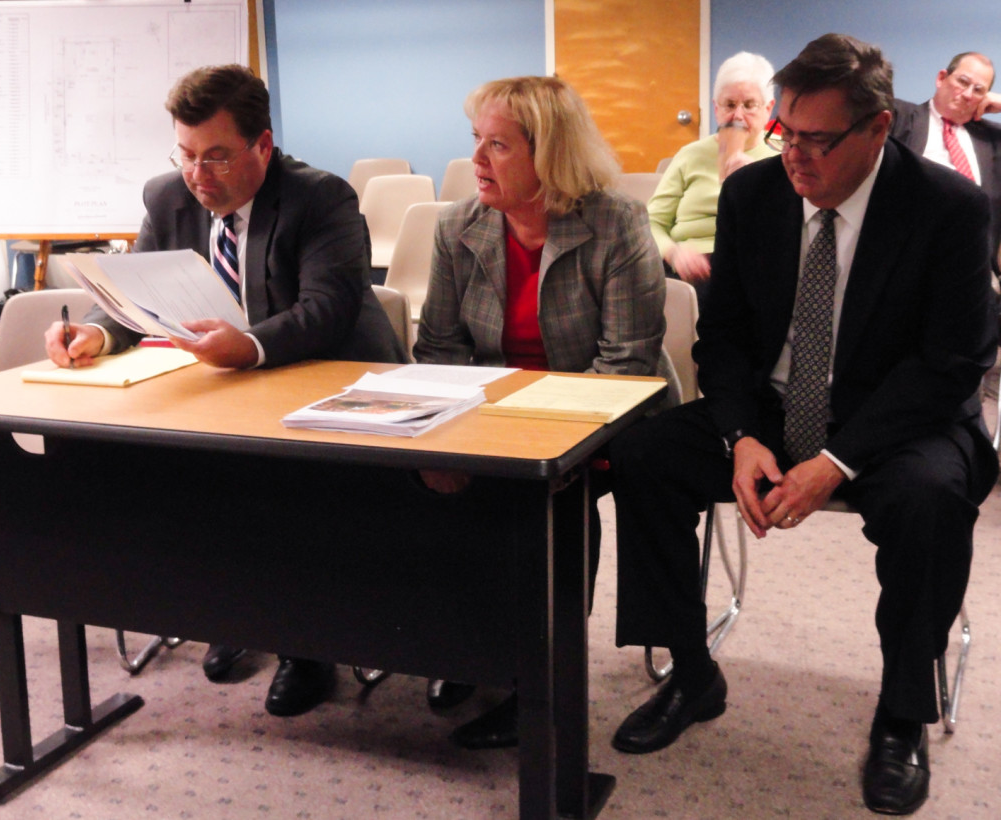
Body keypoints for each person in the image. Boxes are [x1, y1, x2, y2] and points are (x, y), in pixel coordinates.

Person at [608, 34, 998, 816]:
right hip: (776, 409)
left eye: (819, 139)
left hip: (897, 421)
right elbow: (723, 339)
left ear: (880, 129)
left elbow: (951, 363)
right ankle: (692, 671)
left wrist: (840, 461)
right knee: (643, 454)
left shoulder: (949, 208)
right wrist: (743, 436)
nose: (796, 156)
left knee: (929, 502)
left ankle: (901, 714)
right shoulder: (755, 195)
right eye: (787, 132)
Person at [45, 64, 407, 718]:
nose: (197, 176)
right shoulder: (167, 197)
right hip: (225, 386)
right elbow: (140, 297)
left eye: (216, 157)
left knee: (283, 487)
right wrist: (100, 336)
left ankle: (307, 647)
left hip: (328, 381)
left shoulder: (319, 198)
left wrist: (251, 345)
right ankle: (234, 614)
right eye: (186, 155)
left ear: (263, 146)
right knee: (176, 475)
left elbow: (327, 309)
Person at [412, 75, 679, 749]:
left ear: (550, 156)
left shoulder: (615, 223)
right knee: (424, 485)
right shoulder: (459, 227)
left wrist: (532, 444)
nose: (476, 160)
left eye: (497, 145)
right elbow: (439, 351)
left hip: (606, 419)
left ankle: (541, 683)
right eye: (476, 140)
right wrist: (457, 442)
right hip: (493, 414)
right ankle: (464, 654)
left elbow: (624, 367)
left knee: (552, 501)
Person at [647, 51, 777, 308]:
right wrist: (674, 253)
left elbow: (787, 233)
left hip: (749, 262)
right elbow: (650, 222)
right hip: (686, 264)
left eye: (749, 105)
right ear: (716, 108)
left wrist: (754, 188)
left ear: (768, 109)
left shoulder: (781, 160)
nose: (737, 116)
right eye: (729, 105)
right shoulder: (690, 154)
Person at [891, 52, 1001, 273]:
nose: (968, 94)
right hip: (908, 268)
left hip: (976, 276)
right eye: (963, 82)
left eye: (979, 90)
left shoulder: (994, 139)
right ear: (942, 78)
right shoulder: (900, 117)